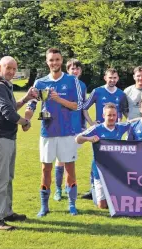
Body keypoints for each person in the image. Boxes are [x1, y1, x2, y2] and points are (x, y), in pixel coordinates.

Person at [25, 48, 83, 217]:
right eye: (51, 60)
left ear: (61, 60)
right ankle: (44, 206)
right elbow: (32, 106)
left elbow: (78, 106)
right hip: (47, 132)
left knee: (70, 168)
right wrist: (26, 119)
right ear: (47, 61)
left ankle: (72, 205)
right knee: (45, 169)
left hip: (67, 133)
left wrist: (59, 99)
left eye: (57, 59)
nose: (54, 63)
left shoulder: (72, 81)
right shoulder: (40, 82)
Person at [0, 56, 37, 230]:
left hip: (7, 136)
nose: (12, 72)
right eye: (9, 68)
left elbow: (11, 106)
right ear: (0, 67)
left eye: (14, 69)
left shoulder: (5, 84)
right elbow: (9, 113)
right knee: (0, 179)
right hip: (0, 137)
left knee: (7, 177)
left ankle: (6, 212)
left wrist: (26, 98)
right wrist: (25, 122)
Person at [76, 103, 131, 209]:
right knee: (103, 206)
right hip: (99, 170)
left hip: (115, 169)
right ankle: (93, 189)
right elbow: (78, 139)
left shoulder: (120, 127)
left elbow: (132, 122)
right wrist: (89, 139)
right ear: (103, 116)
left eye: (114, 115)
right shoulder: (96, 129)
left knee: (117, 202)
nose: (112, 118)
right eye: (109, 115)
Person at [53, 59, 88, 202]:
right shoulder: (62, 83)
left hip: (76, 127)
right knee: (60, 159)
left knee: (70, 157)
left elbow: (82, 106)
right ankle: (58, 189)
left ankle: (69, 186)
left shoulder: (82, 85)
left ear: (81, 71)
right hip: (61, 126)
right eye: (72, 68)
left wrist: (84, 124)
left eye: (77, 69)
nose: (75, 71)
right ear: (68, 70)